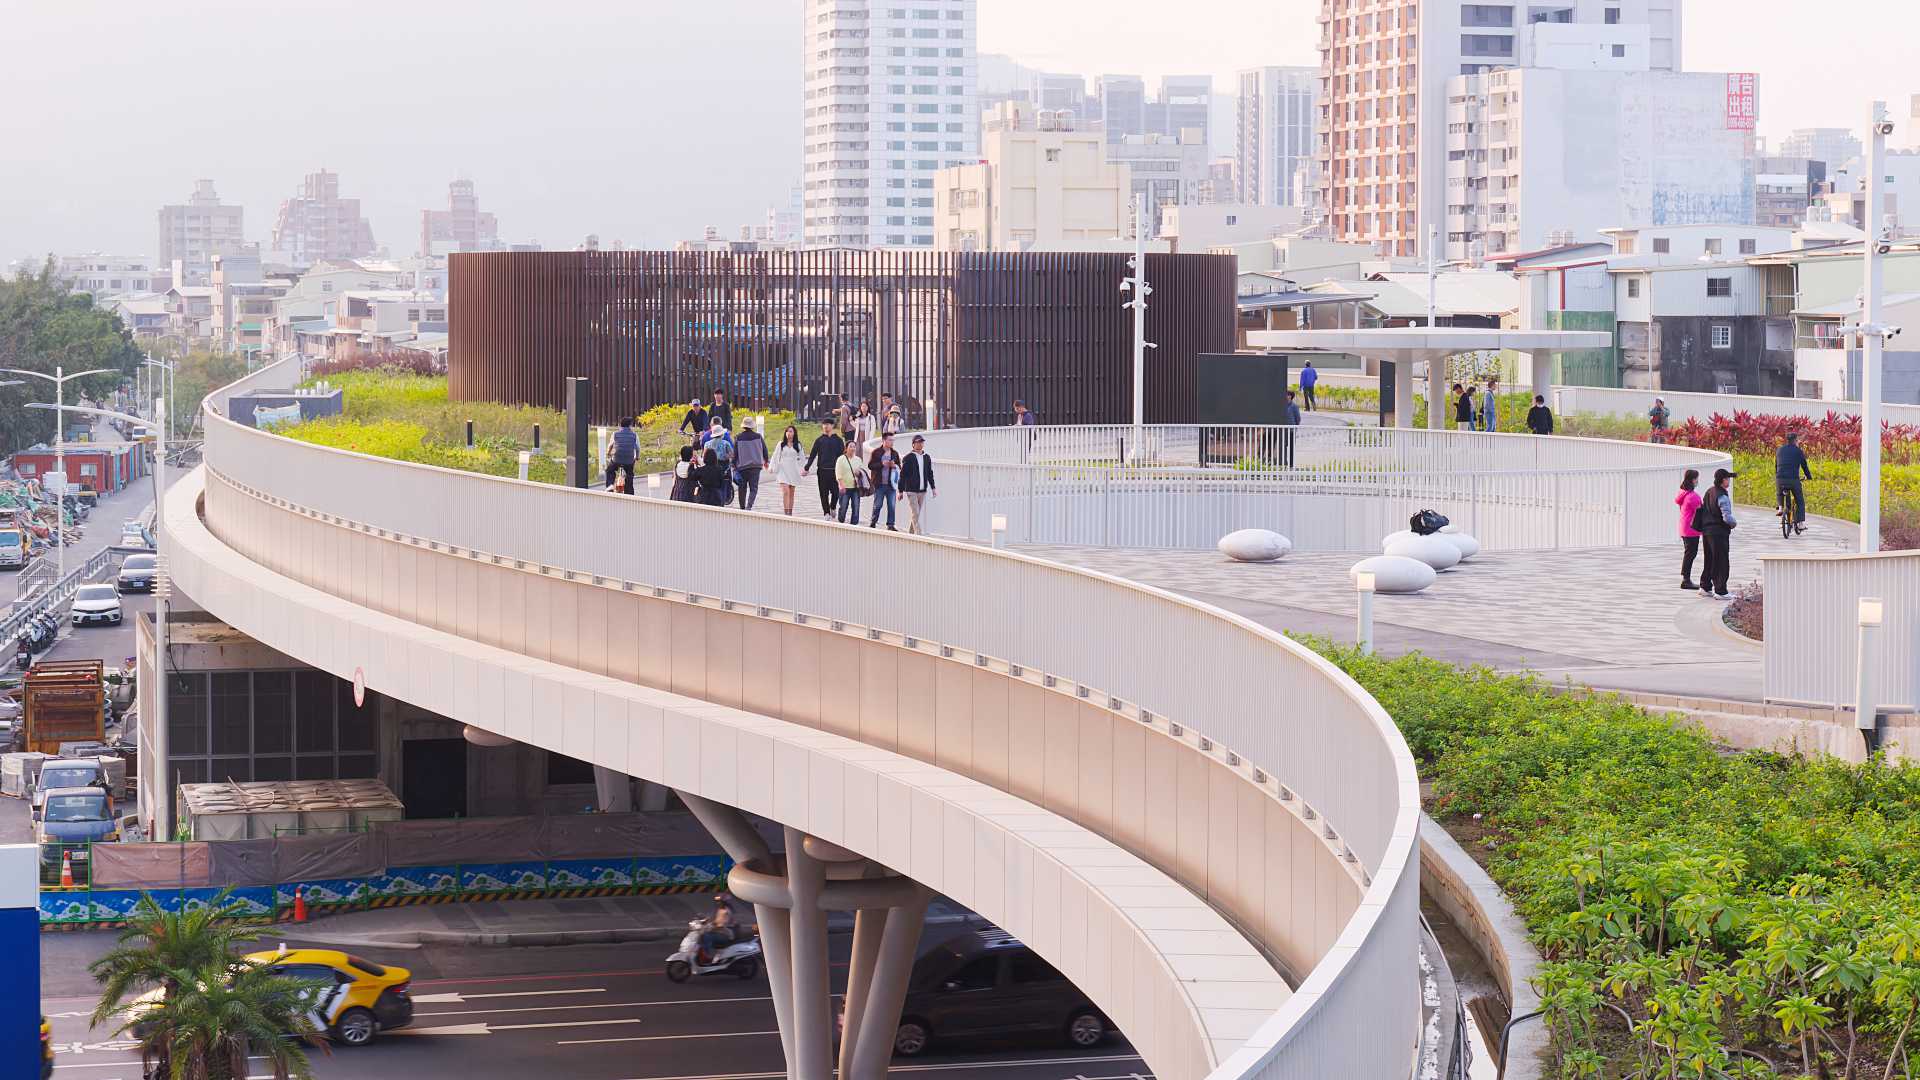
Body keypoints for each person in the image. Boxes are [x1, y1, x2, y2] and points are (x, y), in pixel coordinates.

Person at [1695, 467, 1737, 599]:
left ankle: (1705, 586)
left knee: (1710, 559)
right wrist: (1734, 523)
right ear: (1723, 480)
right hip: (1719, 532)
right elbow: (1726, 516)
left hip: (1707, 532)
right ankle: (1721, 591)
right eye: (1728, 478)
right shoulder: (1722, 495)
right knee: (1721, 560)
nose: (1729, 481)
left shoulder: (1709, 491)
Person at [804, 420, 845, 517]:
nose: (826, 426)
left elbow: (843, 456)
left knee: (836, 492)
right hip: (822, 471)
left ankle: (833, 506)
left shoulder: (838, 440)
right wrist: (807, 467)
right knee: (823, 493)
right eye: (824, 425)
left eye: (828, 424)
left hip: (835, 471)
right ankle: (826, 512)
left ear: (832, 426)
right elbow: (813, 455)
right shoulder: (819, 440)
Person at [1774, 431, 1812, 533]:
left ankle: (1781, 508)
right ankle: (1800, 524)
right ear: (1795, 440)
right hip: (1793, 480)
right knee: (1800, 501)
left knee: (1780, 491)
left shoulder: (1779, 450)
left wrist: (1778, 476)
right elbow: (1804, 466)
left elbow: (1777, 466)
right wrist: (1809, 477)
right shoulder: (1798, 451)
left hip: (1780, 478)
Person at [899, 433, 936, 534]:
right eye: (918, 442)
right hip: (911, 490)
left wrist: (933, 488)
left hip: (922, 491)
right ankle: (919, 535)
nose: (920, 444)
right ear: (913, 444)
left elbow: (929, 473)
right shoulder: (908, 458)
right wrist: (900, 491)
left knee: (916, 514)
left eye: (921, 442)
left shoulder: (927, 457)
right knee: (915, 513)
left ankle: (910, 533)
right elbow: (902, 475)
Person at [1675, 468, 1703, 590]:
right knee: (1690, 553)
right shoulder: (1693, 497)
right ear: (1693, 480)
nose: (1698, 481)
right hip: (1692, 529)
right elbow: (1702, 512)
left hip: (1684, 527)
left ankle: (1685, 578)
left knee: (1689, 553)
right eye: (1697, 478)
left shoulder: (1683, 494)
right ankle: (1686, 580)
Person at [770, 424, 807, 516]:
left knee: (791, 492)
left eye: (791, 431)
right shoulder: (781, 444)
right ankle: (785, 512)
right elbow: (775, 456)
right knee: (785, 491)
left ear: (794, 433)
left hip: (794, 470)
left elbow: (803, 458)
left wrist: (805, 469)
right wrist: (771, 466)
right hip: (782, 470)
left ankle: (790, 512)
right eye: (787, 431)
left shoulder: (798, 445)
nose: (788, 433)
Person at [867, 433, 901, 530]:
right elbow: (870, 466)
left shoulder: (895, 453)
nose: (892, 442)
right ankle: (873, 522)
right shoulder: (876, 452)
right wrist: (882, 464)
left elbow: (899, 466)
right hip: (879, 483)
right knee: (878, 504)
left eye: (892, 440)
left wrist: (894, 466)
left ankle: (890, 524)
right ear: (884, 440)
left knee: (892, 505)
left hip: (891, 484)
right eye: (890, 440)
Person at [732, 419, 767, 510]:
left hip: (742, 467)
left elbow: (735, 454)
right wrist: (766, 460)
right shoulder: (758, 437)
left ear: (743, 426)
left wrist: (734, 465)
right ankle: (749, 506)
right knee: (753, 488)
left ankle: (742, 507)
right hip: (756, 466)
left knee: (742, 488)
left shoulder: (738, 437)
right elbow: (764, 450)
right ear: (752, 426)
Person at [835, 439, 869, 524]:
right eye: (851, 446)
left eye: (854, 446)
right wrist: (841, 485)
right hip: (845, 488)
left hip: (855, 488)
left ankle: (854, 525)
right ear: (846, 448)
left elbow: (862, 472)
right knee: (843, 507)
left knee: (856, 507)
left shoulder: (858, 459)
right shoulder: (841, 459)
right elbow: (838, 473)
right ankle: (841, 520)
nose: (853, 448)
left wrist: (859, 473)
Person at [603, 417, 639, 494]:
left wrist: (608, 453)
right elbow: (637, 448)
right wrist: (637, 457)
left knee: (610, 470)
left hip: (617, 458)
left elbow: (610, 446)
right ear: (630, 426)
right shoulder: (634, 435)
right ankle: (629, 491)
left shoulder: (615, 434)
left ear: (620, 425)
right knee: (629, 473)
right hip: (629, 460)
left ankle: (610, 486)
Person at [1281, 390, 1302, 467]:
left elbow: (1298, 418)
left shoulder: (1294, 406)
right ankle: (1284, 462)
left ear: (1290, 396)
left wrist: (1295, 426)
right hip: (1284, 430)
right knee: (1283, 446)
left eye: (1288, 395)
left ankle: (1291, 464)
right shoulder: (1282, 405)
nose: (1286, 396)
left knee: (1291, 447)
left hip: (1291, 430)